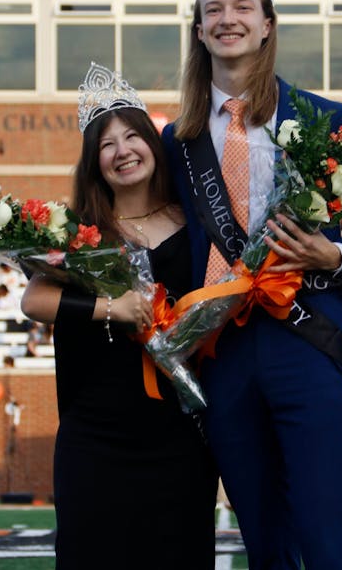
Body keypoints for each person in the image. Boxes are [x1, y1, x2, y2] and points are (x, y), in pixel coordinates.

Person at [162, 0, 342, 569]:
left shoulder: (326, 118)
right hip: (224, 350)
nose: (227, 19)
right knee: (264, 536)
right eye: (214, 10)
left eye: (242, 7)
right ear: (199, 28)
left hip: (306, 338)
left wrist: (334, 253)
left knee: (324, 532)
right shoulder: (176, 139)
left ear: (267, 23)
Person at [20, 63, 216, 568]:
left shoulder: (195, 223)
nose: (123, 151)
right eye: (107, 145)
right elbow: (34, 301)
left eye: (133, 136)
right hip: (96, 436)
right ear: (95, 162)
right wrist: (116, 308)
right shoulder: (82, 232)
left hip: (180, 433)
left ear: (153, 143)